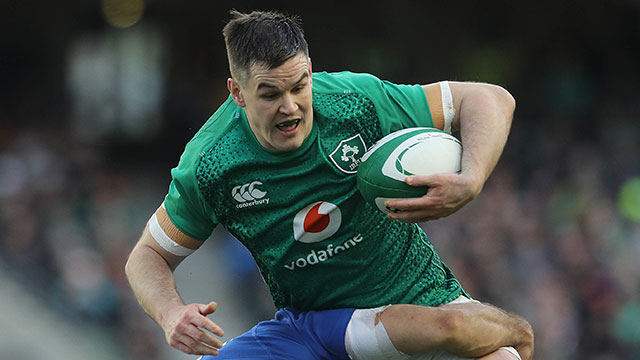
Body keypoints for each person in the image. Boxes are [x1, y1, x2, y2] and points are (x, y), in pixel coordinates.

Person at [125, 10, 533, 360]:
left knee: (502, 353)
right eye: (270, 94)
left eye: (299, 86)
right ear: (238, 93)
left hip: (420, 298)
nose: (290, 106)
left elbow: (487, 99)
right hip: (314, 329)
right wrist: (171, 313)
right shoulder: (211, 165)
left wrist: (471, 179)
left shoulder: (354, 102)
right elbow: (146, 256)